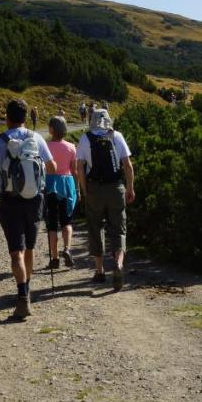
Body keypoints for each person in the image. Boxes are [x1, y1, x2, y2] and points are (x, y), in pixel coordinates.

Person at [0, 99, 52, 320]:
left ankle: (22, 296)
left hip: (11, 200)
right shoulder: (37, 137)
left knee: (16, 251)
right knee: (29, 248)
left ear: (7, 117)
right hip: (34, 199)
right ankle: (27, 287)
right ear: (25, 117)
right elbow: (52, 167)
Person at [76, 108, 135, 290]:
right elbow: (127, 165)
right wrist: (130, 188)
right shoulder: (117, 136)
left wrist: (85, 191)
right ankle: (118, 263)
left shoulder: (85, 138)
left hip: (95, 188)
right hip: (116, 187)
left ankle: (100, 271)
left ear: (92, 119)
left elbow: (79, 167)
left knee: (95, 227)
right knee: (119, 227)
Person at [44, 115, 78, 268]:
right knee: (67, 220)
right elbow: (75, 170)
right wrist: (78, 189)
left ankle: (55, 258)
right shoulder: (71, 147)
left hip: (50, 183)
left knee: (51, 223)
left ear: (51, 129)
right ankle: (67, 249)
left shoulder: (45, 146)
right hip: (66, 184)